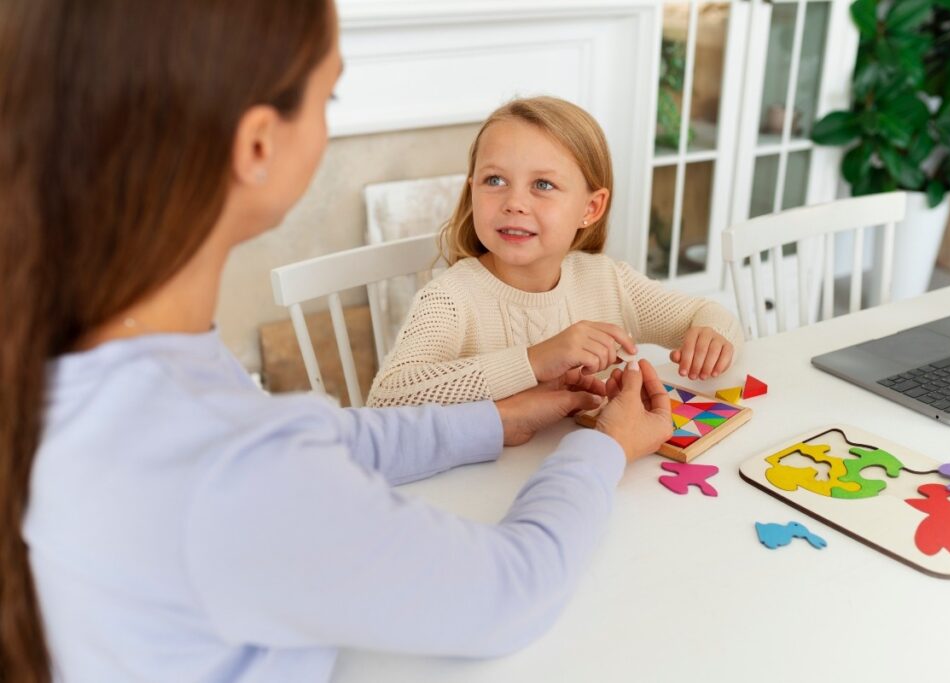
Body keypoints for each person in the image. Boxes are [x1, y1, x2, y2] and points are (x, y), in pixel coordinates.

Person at [0, 1, 674, 681]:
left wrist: (498, 417)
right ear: (259, 144)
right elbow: (510, 591)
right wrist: (604, 446)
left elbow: (322, 438)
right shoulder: (227, 465)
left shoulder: (112, 354)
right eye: (330, 95)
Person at [366, 96, 744, 408]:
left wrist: (712, 334)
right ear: (472, 191)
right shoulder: (450, 298)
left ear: (590, 209)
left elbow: (705, 313)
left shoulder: (608, 280)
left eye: (543, 184)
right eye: (494, 180)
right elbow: (386, 397)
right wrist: (535, 360)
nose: (514, 202)